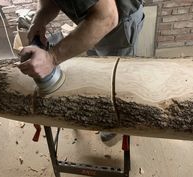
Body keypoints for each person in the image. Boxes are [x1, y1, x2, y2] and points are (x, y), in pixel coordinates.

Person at [18, 0, 145, 145]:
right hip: (92, 18)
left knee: (118, 79)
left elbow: (107, 18)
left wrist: (52, 58)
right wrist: (39, 20)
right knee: (98, 69)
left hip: (120, 23)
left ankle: (119, 121)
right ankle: (104, 105)